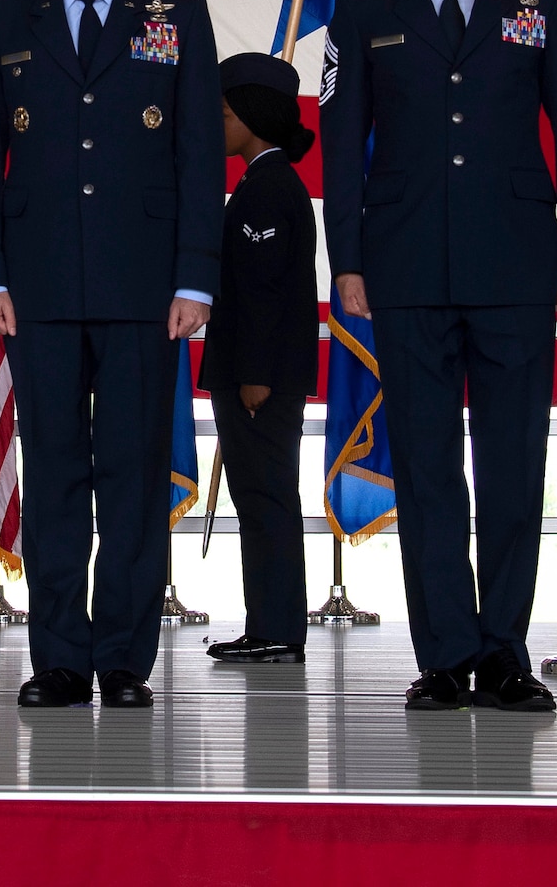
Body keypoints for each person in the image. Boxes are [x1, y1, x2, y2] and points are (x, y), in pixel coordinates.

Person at [318, 0, 557, 713]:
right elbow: (340, 139)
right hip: (402, 271)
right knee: (432, 467)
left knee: (514, 464)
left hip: (519, 264)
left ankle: (505, 650)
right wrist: (348, 261)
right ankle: (444, 655)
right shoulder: (365, 5)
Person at [0, 0, 224, 709]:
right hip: (34, 291)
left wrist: (195, 278)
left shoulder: (176, 15)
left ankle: (125, 660)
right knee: (59, 473)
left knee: (135, 476)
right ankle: (62, 658)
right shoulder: (5, 17)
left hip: (147, 289)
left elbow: (195, 158)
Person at [199, 53, 320, 665]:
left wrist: (254, 375)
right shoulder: (258, 182)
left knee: (267, 499)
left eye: (223, 112)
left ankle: (276, 629)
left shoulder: (269, 188)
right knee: (258, 498)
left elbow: (267, 291)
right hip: (256, 371)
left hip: (261, 378)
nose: (215, 122)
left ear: (254, 117)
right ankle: (266, 624)